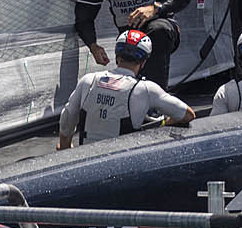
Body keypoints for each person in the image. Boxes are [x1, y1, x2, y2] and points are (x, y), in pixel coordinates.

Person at [58, 30, 194, 149]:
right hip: (124, 166)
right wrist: (163, 123)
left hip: (86, 162)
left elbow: (67, 117)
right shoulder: (146, 89)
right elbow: (188, 115)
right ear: (144, 62)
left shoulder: (88, 80)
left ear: (117, 57)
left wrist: (65, 147)